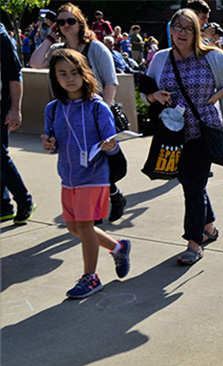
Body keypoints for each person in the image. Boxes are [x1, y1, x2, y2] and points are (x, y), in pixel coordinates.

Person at [142, 9, 223, 265]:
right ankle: (209, 228)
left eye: (188, 28)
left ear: (196, 32)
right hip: (173, 135)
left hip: (202, 131)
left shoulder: (211, 56)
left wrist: (221, 92)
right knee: (193, 185)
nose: (182, 33)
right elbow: (146, 89)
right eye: (177, 27)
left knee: (192, 189)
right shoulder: (160, 59)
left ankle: (194, 243)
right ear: (170, 30)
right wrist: (153, 96)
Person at [42, 49, 131, 298]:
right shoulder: (53, 108)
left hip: (94, 175)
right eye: (62, 74)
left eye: (74, 72)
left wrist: (111, 146)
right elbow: (53, 142)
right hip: (68, 178)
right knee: (73, 227)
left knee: (84, 225)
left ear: (84, 74)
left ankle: (90, 277)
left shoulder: (97, 107)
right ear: (55, 77)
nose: (69, 78)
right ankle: (118, 247)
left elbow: (111, 143)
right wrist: (49, 145)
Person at [30, 3, 126, 222]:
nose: (66, 25)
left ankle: (108, 201)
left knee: (101, 164)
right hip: (70, 117)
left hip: (96, 115)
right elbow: (35, 63)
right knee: (81, 164)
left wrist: (104, 115)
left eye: (70, 20)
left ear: (80, 22)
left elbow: (111, 82)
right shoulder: (58, 51)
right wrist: (49, 38)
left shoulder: (96, 48)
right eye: (61, 22)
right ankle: (103, 205)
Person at [1, 22, 36, 224]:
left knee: (0, 158)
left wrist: (15, 109)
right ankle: (4, 206)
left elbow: (14, 74)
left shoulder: (1, 35)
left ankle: (25, 200)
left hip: (0, 107)